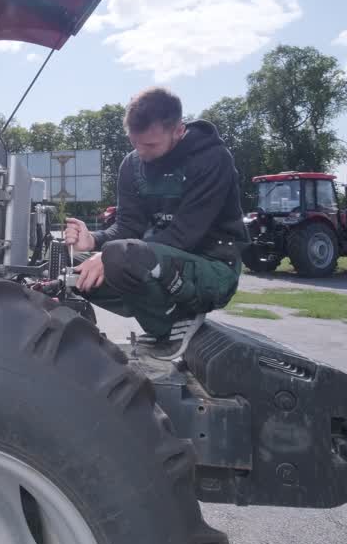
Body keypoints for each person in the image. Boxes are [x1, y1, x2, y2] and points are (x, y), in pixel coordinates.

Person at [63, 87, 248, 361]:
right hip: (157, 260)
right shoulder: (132, 165)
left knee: (119, 256)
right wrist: (93, 240)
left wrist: (112, 255)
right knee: (71, 270)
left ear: (178, 131)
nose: (140, 151)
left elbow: (184, 235)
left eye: (150, 145)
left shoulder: (212, 159)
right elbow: (126, 229)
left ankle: (173, 324)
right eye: (134, 142)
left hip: (212, 268)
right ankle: (164, 323)